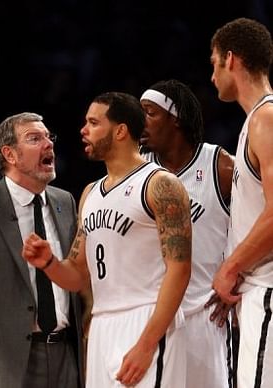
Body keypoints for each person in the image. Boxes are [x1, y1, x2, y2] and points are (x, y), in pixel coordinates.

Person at [22, 92, 192, 387]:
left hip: (146, 318)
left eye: (93, 122)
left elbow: (180, 270)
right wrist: (48, 262)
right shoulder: (90, 193)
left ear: (121, 130)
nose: (83, 130)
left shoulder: (160, 184)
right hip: (101, 323)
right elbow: (77, 275)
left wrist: (146, 344)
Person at [0, 112, 84, 388]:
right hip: (3, 362)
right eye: (34, 138)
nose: (48, 144)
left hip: (65, 354)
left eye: (49, 137)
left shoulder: (66, 202)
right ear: (10, 155)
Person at [139, 79, 234, 387]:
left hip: (207, 316)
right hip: (150, 316)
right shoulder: (137, 170)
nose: (140, 121)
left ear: (175, 118)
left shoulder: (220, 166)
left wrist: (239, 273)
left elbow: (259, 225)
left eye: (149, 113)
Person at [210, 17, 273, 388]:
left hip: (267, 289)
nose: (212, 76)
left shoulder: (266, 118)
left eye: (213, 62)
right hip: (257, 293)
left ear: (230, 59)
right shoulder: (256, 120)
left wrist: (230, 267)